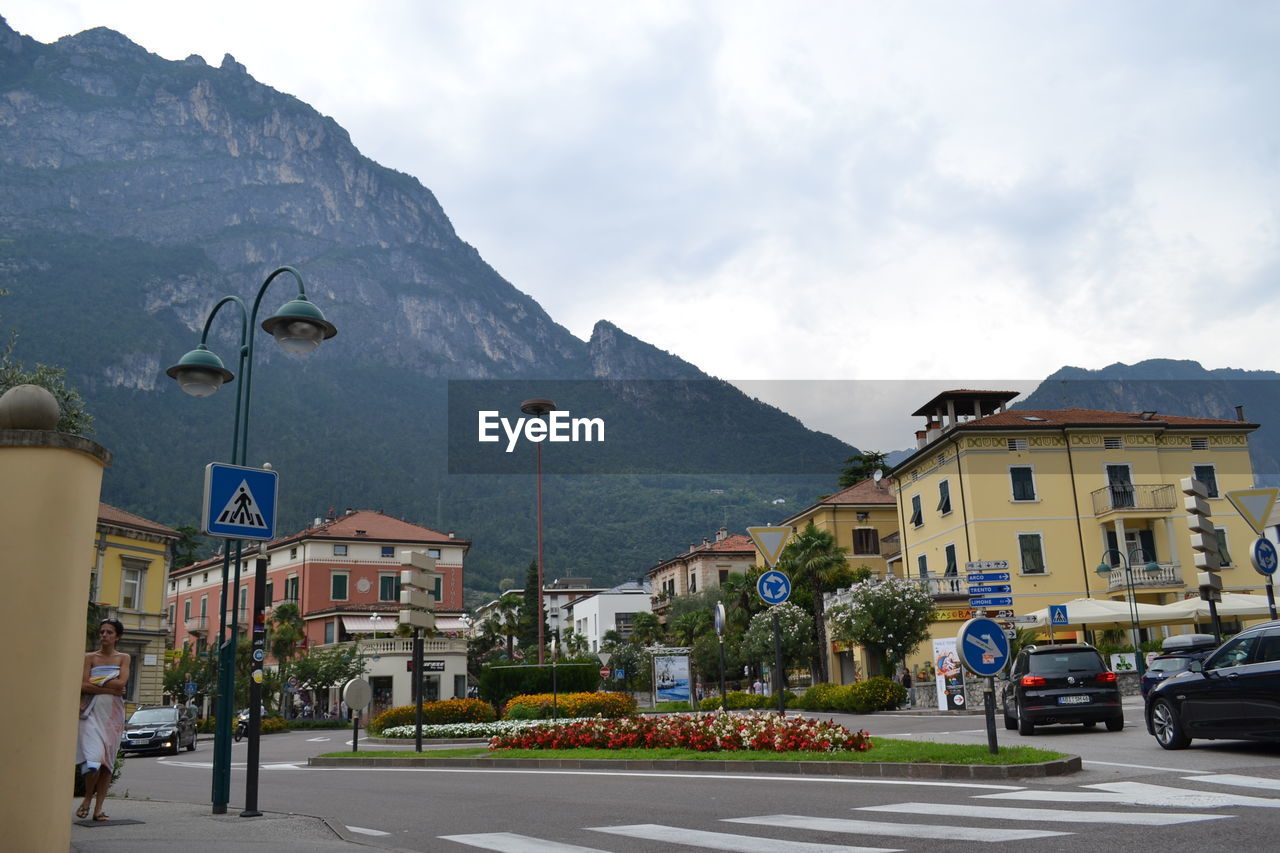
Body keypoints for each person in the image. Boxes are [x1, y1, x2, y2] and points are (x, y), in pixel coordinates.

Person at [75, 619, 130, 822]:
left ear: (117, 636)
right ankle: (87, 799)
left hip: (113, 715)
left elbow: (122, 683)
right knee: (93, 760)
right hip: (90, 713)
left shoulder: (123, 658)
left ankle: (98, 808)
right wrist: (110, 687)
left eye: (109, 632)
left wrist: (96, 681)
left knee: (107, 763)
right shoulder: (89, 658)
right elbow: (83, 685)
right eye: (102, 632)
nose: (104, 635)